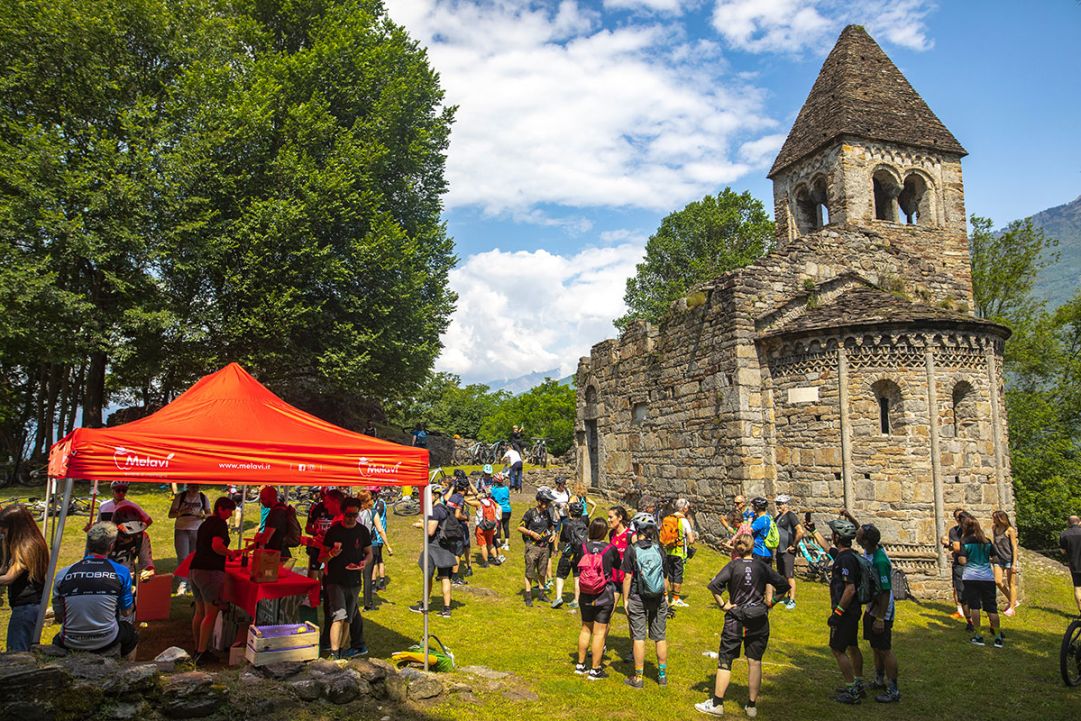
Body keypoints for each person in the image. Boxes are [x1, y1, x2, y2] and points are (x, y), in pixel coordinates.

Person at [695, 534, 790, 718]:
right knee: (755, 662)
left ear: (737, 548)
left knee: (725, 660)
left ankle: (717, 704)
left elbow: (714, 586)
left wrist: (723, 605)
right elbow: (784, 586)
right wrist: (771, 603)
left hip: (736, 619)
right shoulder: (762, 566)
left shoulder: (733, 565)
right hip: (758, 618)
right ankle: (752, 706)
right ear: (753, 547)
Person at [53, 522, 138, 657]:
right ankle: (127, 669)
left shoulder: (63, 574)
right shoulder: (121, 572)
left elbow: (59, 615)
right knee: (131, 633)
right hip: (106, 639)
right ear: (111, 546)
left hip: (70, 641)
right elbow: (127, 612)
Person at [852, 522, 901, 703]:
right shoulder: (871, 548)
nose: (855, 536)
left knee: (885, 649)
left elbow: (886, 592)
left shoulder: (880, 561)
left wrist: (880, 618)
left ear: (864, 540)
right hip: (872, 609)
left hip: (882, 610)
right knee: (875, 647)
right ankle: (879, 679)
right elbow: (864, 531)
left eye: (859, 534)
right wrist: (851, 517)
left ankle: (893, 689)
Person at [322, 497, 373, 659]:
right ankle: (334, 653)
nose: (351, 518)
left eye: (354, 514)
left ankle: (342, 651)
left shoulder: (363, 531)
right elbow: (322, 558)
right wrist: (331, 554)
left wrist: (365, 562)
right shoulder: (334, 531)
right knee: (339, 615)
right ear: (343, 513)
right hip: (335, 580)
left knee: (348, 619)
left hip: (354, 580)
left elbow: (369, 552)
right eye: (348, 514)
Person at [190, 497, 239, 666]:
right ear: (220, 508)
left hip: (195, 568)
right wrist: (230, 553)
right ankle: (202, 652)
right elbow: (216, 546)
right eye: (229, 510)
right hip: (209, 571)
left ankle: (198, 648)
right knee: (211, 613)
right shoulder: (219, 524)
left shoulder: (206, 523)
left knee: (200, 611)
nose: (230, 514)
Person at [622, 512, 669, 688]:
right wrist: (665, 596)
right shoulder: (659, 549)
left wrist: (625, 599)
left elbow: (627, 577)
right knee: (660, 637)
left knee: (639, 637)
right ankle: (662, 675)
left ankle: (639, 678)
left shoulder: (632, 549)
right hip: (658, 597)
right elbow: (665, 576)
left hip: (637, 596)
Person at [572, 517, 620, 680]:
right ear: (604, 532)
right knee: (599, 633)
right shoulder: (610, 549)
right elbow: (617, 566)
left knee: (586, 628)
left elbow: (577, 567)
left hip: (585, 592)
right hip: (603, 594)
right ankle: (595, 668)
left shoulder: (583, 547)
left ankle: (580, 664)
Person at [826, 518, 865, 704]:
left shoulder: (846, 560)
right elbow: (828, 549)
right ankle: (858, 683)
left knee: (837, 649)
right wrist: (813, 532)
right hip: (853, 610)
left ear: (837, 536)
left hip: (846, 611)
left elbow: (850, 589)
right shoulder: (848, 555)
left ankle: (852, 691)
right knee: (852, 645)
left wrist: (837, 613)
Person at [0, 505, 49, 651]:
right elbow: (3, 569)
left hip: (28, 607)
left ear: (16, 527)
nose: (2, 531)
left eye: (4, 527)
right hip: (22, 605)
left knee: (16, 651)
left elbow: (9, 577)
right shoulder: (16, 543)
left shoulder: (28, 547)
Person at [410, 485, 459, 618]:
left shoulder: (434, 511)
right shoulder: (444, 508)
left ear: (435, 495)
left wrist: (421, 525)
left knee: (428, 576)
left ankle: (423, 605)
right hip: (445, 546)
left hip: (434, 547)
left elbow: (430, 531)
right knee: (445, 577)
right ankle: (446, 609)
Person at [955, 514, 1004, 648]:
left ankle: (978, 635)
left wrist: (967, 558)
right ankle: (998, 637)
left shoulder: (965, 542)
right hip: (987, 577)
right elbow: (995, 559)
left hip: (971, 577)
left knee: (975, 607)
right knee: (991, 608)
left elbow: (963, 560)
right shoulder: (987, 541)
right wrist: (984, 560)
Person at [169, 485, 210, 594]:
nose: (194, 489)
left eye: (196, 487)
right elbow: (171, 514)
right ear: (188, 486)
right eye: (192, 486)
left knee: (194, 557)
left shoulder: (202, 497)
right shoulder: (181, 497)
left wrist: (202, 515)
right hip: (181, 529)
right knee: (183, 557)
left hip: (197, 529)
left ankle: (192, 582)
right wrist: (181, 512)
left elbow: (209, 513)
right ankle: (183, 582)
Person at [518, 487, 556, 607]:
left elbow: (551, 527)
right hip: (532, 547)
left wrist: (553, 534)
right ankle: (528, 596)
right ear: (539, 501)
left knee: (542, 571)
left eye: (549, 503)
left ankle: (541, 593)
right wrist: (531, 533)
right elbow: (520, 527)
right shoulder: (530, 513)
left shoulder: (547, 513)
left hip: (544, 547)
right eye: (546, 502)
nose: (548, 505)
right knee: (530, 571)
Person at [553, 499, 589, 609]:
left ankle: (559, 597)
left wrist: (558, 548)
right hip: (580, 554)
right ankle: (576, 600)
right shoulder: (584, 524)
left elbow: (563, 538)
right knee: (577, 576)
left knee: (560, 575)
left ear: (571, 512)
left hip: (568, 553)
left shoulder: (567, 524)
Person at [662, 498, 696, 608]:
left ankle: (666, 596)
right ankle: (676, 599)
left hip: (667, 550)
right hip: (679, 552)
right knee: (677, 576)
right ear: (685, 508)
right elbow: (691, 540)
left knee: (667, 575)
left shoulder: (668, 518)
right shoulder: (684, 520)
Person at [306, 489, 344, 583]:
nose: (325, 504)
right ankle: (314, 594)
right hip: (318, 546)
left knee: (326, 576)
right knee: (313, 574)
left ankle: (323, 590)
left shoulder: (341, 518)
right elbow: (308, 528)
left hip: (333, 553)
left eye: (327, 501)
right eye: (323, 498)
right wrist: (317, 533)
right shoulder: (317, 507)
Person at [109, 504, 156, 580]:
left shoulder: (142, 537)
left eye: (134, 535)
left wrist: (148, 571)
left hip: (129, 579)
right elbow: (97, 565)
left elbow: (146, 561)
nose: (130, 539)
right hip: (107, 579)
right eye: (126, 536)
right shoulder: (106, 539)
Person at [942, 508, 972, 628]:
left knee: (972, 591)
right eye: (959, 517)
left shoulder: (974, 530)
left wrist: (953, 545)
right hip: (959, 563)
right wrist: (948, 544)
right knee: (958, 588)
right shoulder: (954, 531)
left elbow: (958, 547)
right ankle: (962, 613)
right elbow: (953, 548)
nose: (962, 519)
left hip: (973, 564)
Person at [774, 495, 803, 609]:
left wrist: (794, 545)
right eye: (778, 504)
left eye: (780, 504)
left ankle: (792, 600)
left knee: (789, 575)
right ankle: (785, 596)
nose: (778, 506)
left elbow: (800, 531)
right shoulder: (778, 517)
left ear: (786, 504)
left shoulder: (791, 516)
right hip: (779, 550)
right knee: (782, 575)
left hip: (787, 550)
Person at [256, 485, 300, 560]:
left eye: (263, 498)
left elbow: (266, 539)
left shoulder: (276, 513)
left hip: (277, 555)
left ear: (271, 497)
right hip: (279, 553)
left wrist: (257, 538)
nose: (261, 501)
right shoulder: (280, 509)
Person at [991, 510, 1020, 616]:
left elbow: (1014, 547)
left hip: (1009, 559)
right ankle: (1013, 600)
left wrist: (1014, 563)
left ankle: (1012, 607)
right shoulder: (994, 528)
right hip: (998, 559)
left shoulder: (1010, 530)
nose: (993, 520)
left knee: (1011, 583)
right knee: (997, 581)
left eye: (994, 518)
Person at [369, 489, 393, 593]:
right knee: (379, 559)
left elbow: (374, 516)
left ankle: (373, 584)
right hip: (379, 536)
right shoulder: (380, 502)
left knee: (374, 561)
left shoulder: (379, 504)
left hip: (377, 536)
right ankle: (382, 583)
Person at [474, 487, 502, 569]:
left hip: (481, 527)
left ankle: (486, 562)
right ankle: (496, 559)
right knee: (490, 544)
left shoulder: (479, 503)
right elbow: (499, 508)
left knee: (483, 545)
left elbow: (467, 501)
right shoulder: (492, 502)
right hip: (491, 526)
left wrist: (476, 497)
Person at [1061, 515, 1081, 615]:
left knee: (1077, 588)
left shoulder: (1064, 534)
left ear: (1068, 523)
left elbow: (1063, 551)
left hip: (1075, 565)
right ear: (1079, 522)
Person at [490, 473, 512, 551]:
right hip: (508, 509)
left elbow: (491, 497)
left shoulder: (494, 489)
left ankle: (498, 543)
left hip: (499, 509)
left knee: (498, 526)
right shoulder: (506, 488)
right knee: (506, 526)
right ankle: (506, 544)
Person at [749, 497, 773, 565]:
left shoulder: (761, 520)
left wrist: (750, 519)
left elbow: (748, 531)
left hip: (758, 551)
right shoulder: (769, 517)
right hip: (768, 552)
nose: (752, 508)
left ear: (757, 507)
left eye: (753, 506)